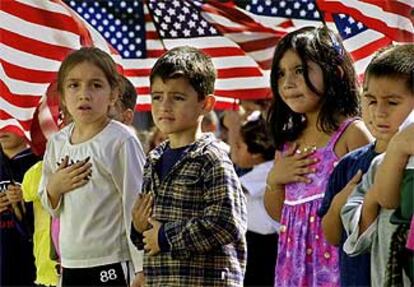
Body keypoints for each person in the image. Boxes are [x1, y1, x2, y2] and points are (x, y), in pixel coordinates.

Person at [263, 26, 372, 286]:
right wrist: (274, 181)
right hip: (293, 271)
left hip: (337, 269)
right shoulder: (289, 142)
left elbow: (366, 212)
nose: (288, 83)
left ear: (334, 72)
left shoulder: (352, 134)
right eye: (281, 73)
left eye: (300, 71)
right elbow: (280, 215)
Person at [130, 46, 247, 286]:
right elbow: (147, 234)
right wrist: (138, 227)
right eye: (157, 96)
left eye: (178, 97)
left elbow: (226, 223)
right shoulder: (153, 159)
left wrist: (165, 236)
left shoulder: (212, 158)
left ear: (206, 104)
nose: (164, 106)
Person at [39, 47, 145, 286]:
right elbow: (50, 206)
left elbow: (135, 205)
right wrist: (54, 187)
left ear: (113, 94)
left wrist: (141, 268)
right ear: (63, 96)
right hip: (71, 264)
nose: (84, 94)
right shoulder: (57, 142)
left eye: (96, 85)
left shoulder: (120, 141)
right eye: (74, 85)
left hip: (111, 261)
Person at [341, 43, 414, 287]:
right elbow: (354, 236)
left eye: (392, 103)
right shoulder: (375, 166)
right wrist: (373, 197)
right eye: (371, 101)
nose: (379, 112)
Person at [231, 116, 279, 286]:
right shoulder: (260, 170)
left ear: (256, 151)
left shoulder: (268, 170)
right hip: (253, 239)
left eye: (239, 146)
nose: (236, 151)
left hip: (264, 242)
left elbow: (235, 190)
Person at [0, 131, 38, 286]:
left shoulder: (40, 163)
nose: (2, 128)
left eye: (8, 121)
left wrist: (20, 205)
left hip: (31, 263)